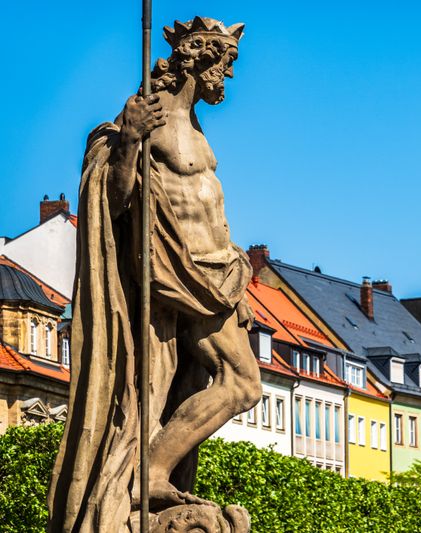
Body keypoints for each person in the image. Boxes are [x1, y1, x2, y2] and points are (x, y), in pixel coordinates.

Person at [48, 17, 260, 532]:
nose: (227, 80)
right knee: (243, 384)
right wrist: (126, 144)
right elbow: (113, 202)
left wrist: (238, 278)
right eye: (225, 67)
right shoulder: (143, 121)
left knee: (226, 385)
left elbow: (209, 210)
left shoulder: (195, 130)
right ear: (198, 60)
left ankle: (155, 469)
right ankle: (152, 471)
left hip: (218, 279)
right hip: (178, 280)